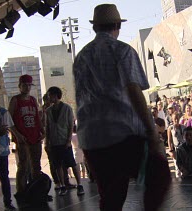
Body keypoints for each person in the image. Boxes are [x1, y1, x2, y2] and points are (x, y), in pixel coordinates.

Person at [73, 4, 170, 210]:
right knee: (159, 172)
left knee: (111, 196)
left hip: (92, 139)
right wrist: (152, 132)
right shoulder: (122, 50)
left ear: (94, 27)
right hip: (121, 135)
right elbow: (134, 91)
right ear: (117, 24)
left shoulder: (80, 58)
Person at [8, 74, 45, 197]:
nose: (27, 87)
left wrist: (42, 131)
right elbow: (9, 120)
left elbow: (37, 118)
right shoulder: (15, 100)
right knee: (23, 165)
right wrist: (17, 135)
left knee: (36, 165)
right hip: (23, 138)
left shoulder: (33, 100)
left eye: (29, 85)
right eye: (25, 85)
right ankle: (21, 191)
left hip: (35, 136)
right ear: (20, 86)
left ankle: (38, 190)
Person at [44, 86, 85, 196]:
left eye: (50, 95)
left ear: (56, 95)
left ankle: (79, 184)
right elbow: (47, 127)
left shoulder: (67, 108)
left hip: (64, 141)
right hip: (54, 142)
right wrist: (47, 142)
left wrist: (68, 140)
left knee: (71, 162)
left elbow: (70, 125)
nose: (49, 98)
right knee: (57, 165)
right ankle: (62, 185)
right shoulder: (48, 111)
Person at [167, 113, 185, 178]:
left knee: (184, 165)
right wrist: (171, 150)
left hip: (183, 148)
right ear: (172, 119)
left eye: (177, 118)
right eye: (175, 119)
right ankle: (178, 180)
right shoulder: (170, 128)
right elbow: (169, 140)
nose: (176, 120)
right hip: (176, 148)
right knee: (177, 167)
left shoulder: (183, 127)